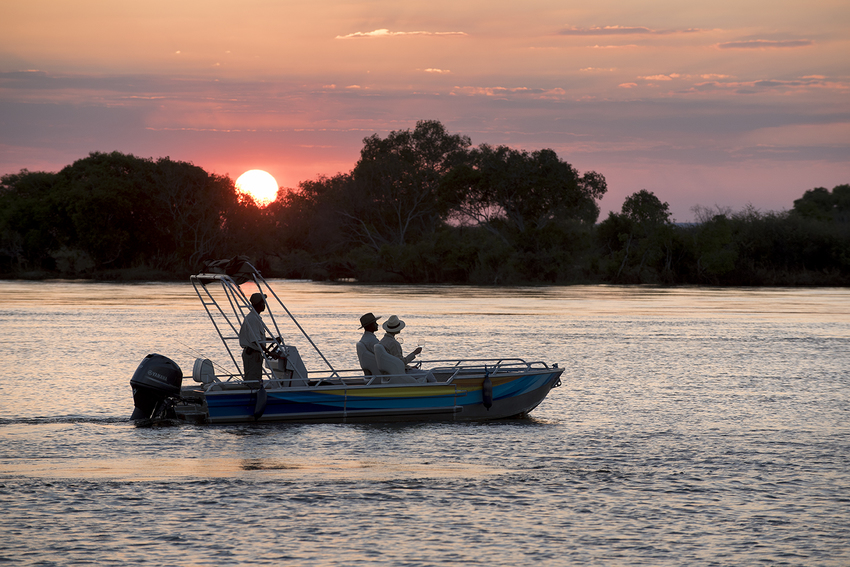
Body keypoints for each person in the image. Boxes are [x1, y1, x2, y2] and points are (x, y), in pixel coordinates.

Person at [380, 315, 435, 382]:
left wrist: (409, 367)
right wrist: (414, 353)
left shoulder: (382, 342)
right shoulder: (394, 343)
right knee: (429, 374)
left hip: (389, 373)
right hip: (399, 374)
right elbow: (401, 363)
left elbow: (394, 362)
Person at [239, 292, 268, 384]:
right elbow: (256, 341)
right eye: (263, 302)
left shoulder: (255, 317)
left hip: (255, 354)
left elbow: (258, 338)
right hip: (252, 355)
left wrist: (273, 340)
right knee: (253, 382)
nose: (265, 305)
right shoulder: (253, 319)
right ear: (258, 304)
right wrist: (269, 352)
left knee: (256, 379)